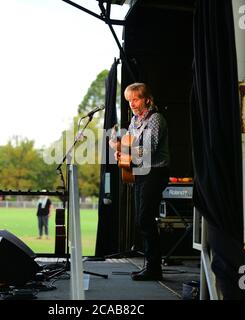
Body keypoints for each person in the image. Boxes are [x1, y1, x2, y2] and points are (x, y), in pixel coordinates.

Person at [110, 82, 170, 281]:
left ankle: (154, 268)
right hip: (140, 173)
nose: (132, 104)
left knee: (145, 218)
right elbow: (130, 148)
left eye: (135, 99)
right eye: (129, 101)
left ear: (146, 99)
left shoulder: (155, 119)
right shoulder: (134, 121)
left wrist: (127, 151)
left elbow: (149, 149)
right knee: (141, 220)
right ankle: (151, 266)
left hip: (155, 172)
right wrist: (119, 148)